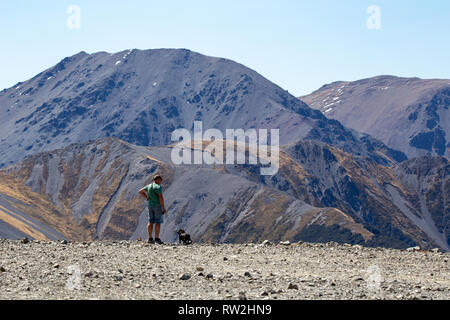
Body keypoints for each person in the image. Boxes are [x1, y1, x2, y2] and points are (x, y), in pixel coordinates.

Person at [138, 175, 167, 244]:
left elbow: (140, 191)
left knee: (150, 221)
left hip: (150, 206)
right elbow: (161, 197)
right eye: (160, 180)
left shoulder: (149, 186)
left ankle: (150, 238)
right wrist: (163, 208)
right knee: (158, 222)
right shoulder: (158, 187)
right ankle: (156, 238)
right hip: (157, 206)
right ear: (157, 180)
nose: (160, 182)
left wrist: (147, 197)